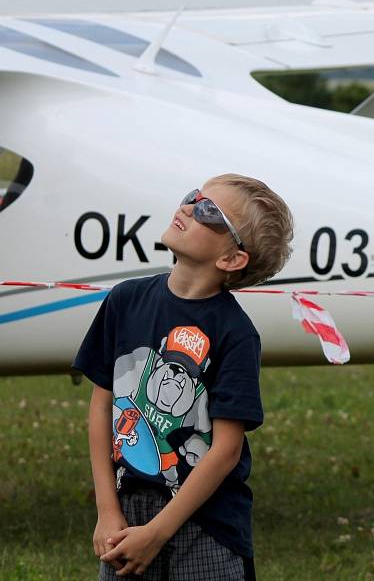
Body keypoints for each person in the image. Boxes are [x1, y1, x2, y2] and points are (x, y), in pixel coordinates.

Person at [74, 173, 293, 580]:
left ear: (231, 259)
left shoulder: (236, 334)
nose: (190, 207)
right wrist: (107, 511)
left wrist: (158, 532)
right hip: (127, 510)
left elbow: (225, 450)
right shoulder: (125, 301)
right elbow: (102, 407)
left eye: (209, 211)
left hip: (205, 524)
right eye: (194, 197)